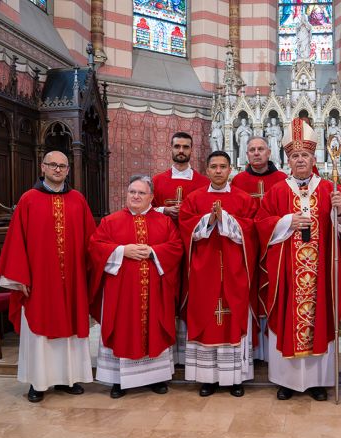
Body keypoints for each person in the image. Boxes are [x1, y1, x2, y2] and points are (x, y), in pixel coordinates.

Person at [256, 118, 341, 401]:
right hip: (288, 273)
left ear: (314, 158)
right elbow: (261, 224)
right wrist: (287, 221)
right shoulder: (277, 190)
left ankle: (318, 381)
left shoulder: (328, 189)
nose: (300, 160)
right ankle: (286, 381)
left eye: (305, 155)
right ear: (288, 160)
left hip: (320, 272)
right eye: (295, 155)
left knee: (319, 320)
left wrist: (340, 211)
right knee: (288, 319)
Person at [0, 151, 96, 403]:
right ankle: (38, 383)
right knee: (39, 331)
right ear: (43, 167)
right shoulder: (28, 199)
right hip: (39, 281)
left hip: (72, 280)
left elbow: (91, 240)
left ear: (68, 170)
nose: (58, 169)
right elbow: (17, 241)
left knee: (70, 330)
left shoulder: (78, 200)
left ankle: (67, 379)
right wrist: (20, 278)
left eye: (62, 166)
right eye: (53, 165)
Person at [89, 175, 183, 398]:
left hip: (155, 291)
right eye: (132, 192)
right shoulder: (110, 221)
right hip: (121, 293)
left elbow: (176, 247)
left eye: (141, 193)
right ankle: (119, 380)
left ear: (151, 197)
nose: (136, 196)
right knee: (122, 328)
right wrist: (122, 251)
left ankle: (156, 377)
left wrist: (153, 251)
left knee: (155, 328)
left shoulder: (164, 222)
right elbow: (95, 247)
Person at [179, 151, 258, 397]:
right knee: (205, 318)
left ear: (230, 169)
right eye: (213, 166)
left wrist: (227, 220)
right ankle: (208, 378)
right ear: (207, 170)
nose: (218, 171)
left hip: (235, 272)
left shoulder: (244, 199)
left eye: (223, 166)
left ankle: (235, 378)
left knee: (233, 319)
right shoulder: (194, 198)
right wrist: (208, 220)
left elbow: (252, 230)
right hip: (204, 273)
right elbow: (184, 228)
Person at [152, 131, 209, 366]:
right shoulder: (157, 181)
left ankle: (188, 352)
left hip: (194, 246)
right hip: (164, 246)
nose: (181, 151)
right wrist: (164, 210)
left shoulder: (203, 183)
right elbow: (145, 209)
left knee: (192, 292)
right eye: (177, 146)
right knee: (167, 293)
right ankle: (167, 350)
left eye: (186, 147)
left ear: (191, 149)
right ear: (171, 148)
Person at [231, 137, 287, 362]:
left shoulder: (283, 180)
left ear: (269, 152)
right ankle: (253, 349)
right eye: (252, 150)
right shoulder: (238, 181)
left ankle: (272, 347)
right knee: (250, 290)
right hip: (247, 244)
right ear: (246, 154)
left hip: (275, 244)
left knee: (273, 290)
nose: (256, 153)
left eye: (260, 149)